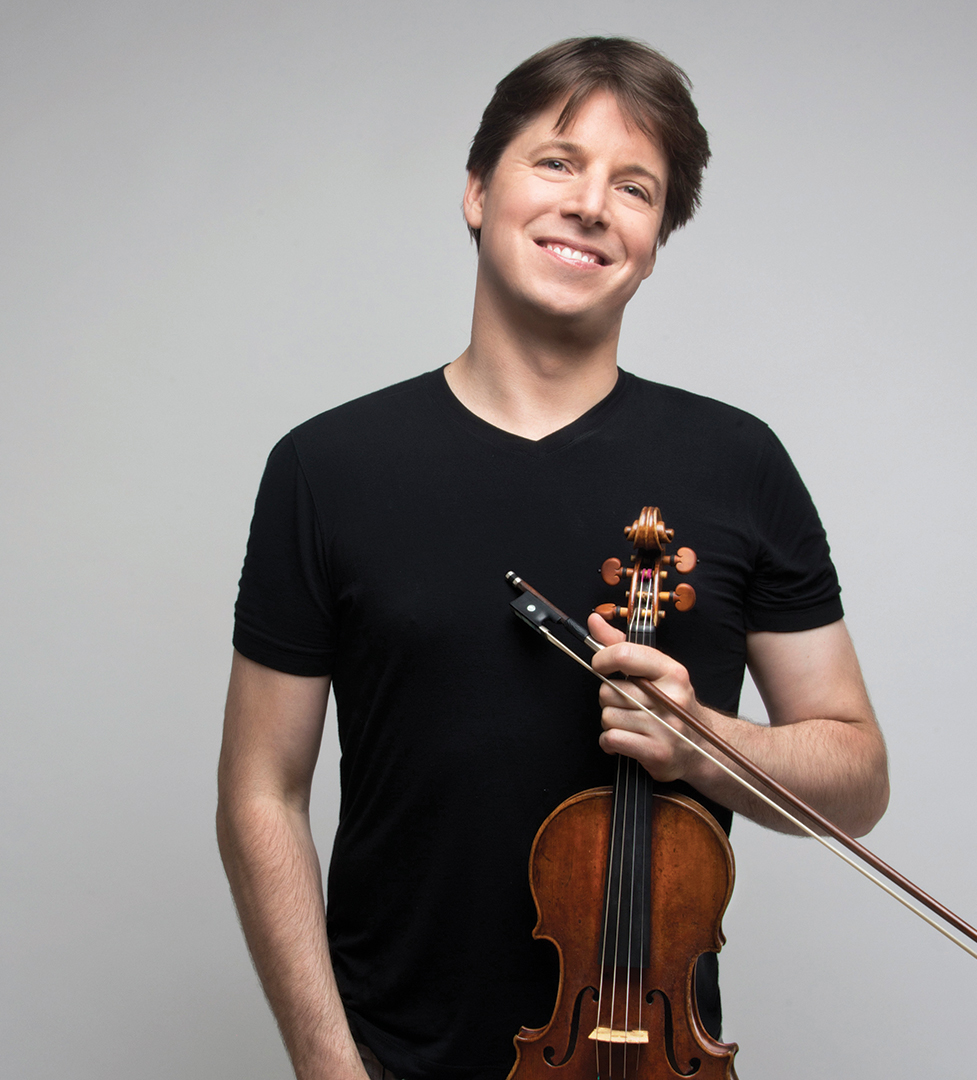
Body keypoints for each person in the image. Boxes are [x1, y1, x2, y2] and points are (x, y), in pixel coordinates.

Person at [216, 36, 889, 1080]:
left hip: (648, 1060)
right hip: (394, 1060)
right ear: (478, 191)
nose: (590, 205)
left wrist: (703, 743)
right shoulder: (325, 466)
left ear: (655, 242)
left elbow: (857, 779)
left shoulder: (739, 463)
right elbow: (260, 791)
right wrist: (330, 1066)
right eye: (557, 162)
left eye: (634, 187)